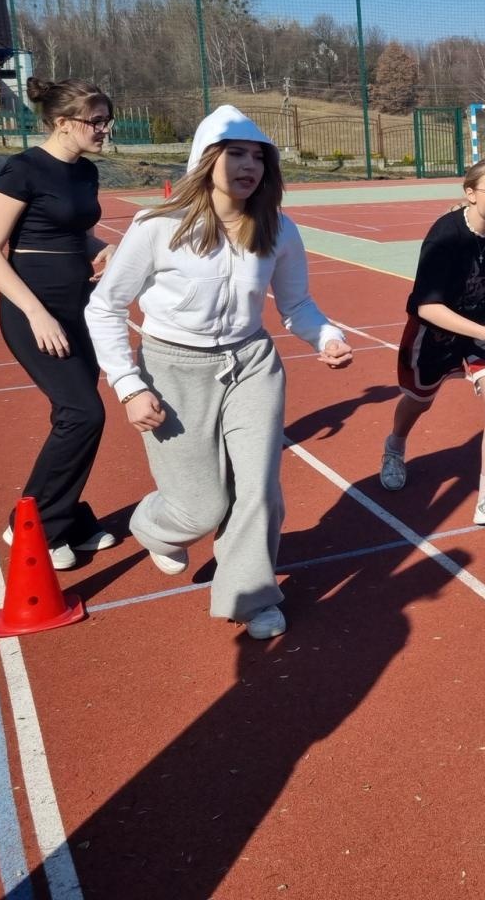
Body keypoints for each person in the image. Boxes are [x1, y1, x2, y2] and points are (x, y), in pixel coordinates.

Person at [86, 106, 352, 639]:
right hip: (171, 368)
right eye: (236, 153)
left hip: (252, 363)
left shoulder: (278, 229)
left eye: (258, 156)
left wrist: (326, 336)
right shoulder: (157, 226)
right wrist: (128, 385)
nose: (249, 166)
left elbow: (297, 305)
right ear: (207, 159)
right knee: (201, 507)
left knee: (258, 488)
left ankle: (249, 596)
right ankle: (155, 525)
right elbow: (105, 306)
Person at [0, 78, 118, 570]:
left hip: (79, 303)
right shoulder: (23, 170)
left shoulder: (87, 173)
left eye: (106, 118)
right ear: (63, 123)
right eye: (95, 121)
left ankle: (68, 516)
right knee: (83, 413)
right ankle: (31, 521)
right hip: (33, 310)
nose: (105, 128)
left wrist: (109, 251)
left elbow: (80, 238)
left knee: (75, 413)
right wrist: (35, 312)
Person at [378, 160, 485, 525]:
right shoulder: (445, 237)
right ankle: (394, 447)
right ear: (470, 194)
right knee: (419, 401)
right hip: (436, 331)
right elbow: (427, 306)